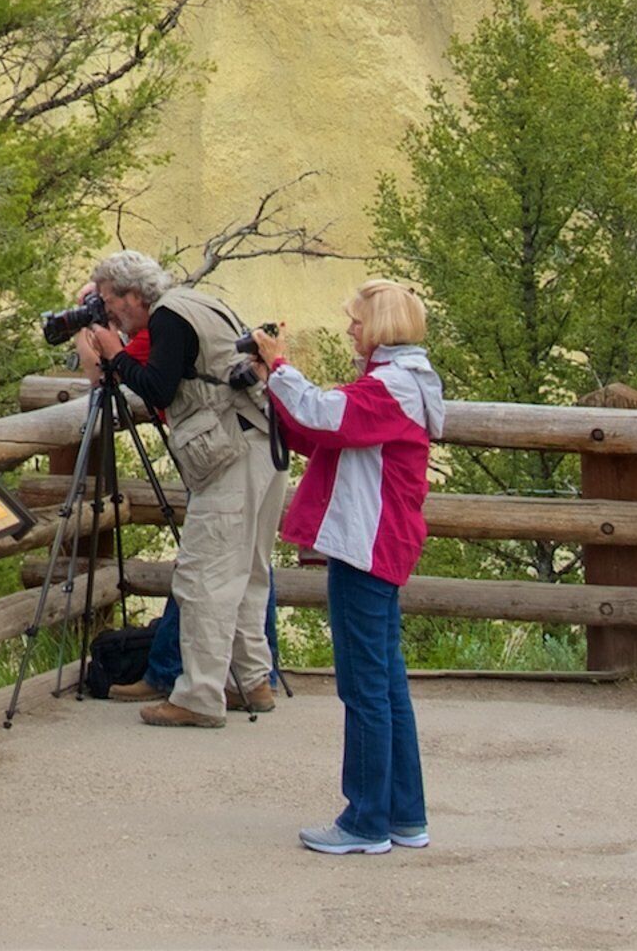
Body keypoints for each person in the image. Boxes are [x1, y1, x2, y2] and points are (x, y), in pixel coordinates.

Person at [258, 276, 447, 858]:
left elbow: (326, 413)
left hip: (367, 545)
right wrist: (274, 388)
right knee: (386, 684)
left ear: (381, 327)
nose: (349, 330)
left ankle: (366, 821)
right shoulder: (401, 383)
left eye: (357, 321)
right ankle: (403, 814)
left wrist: (278, 366)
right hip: (379, 544)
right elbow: (326, 430)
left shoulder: (391, 387)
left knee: (365, 686)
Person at [67, 248, 283, 727]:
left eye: (107, 301)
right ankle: (253, 682)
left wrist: (113, 353)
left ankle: (199, 697)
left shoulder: (167, 317)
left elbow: (157, 388)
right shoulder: (199, 303)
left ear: (129, 295)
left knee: (204, 577)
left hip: (230, 455)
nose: (107, 313)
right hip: (263, 444)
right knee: (248, 571)